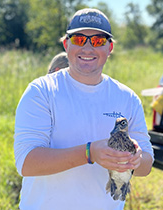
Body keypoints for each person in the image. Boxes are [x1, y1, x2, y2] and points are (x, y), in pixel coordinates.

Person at [14, 8, 154, 210]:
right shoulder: (41, 91)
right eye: (79, 39)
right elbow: (27, 163)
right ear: (66, 44)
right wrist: (90, 152)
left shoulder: (127, 98)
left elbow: (146, 166)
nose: (87, 48)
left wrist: (132, 159)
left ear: (110, 47)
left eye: (97, 41)